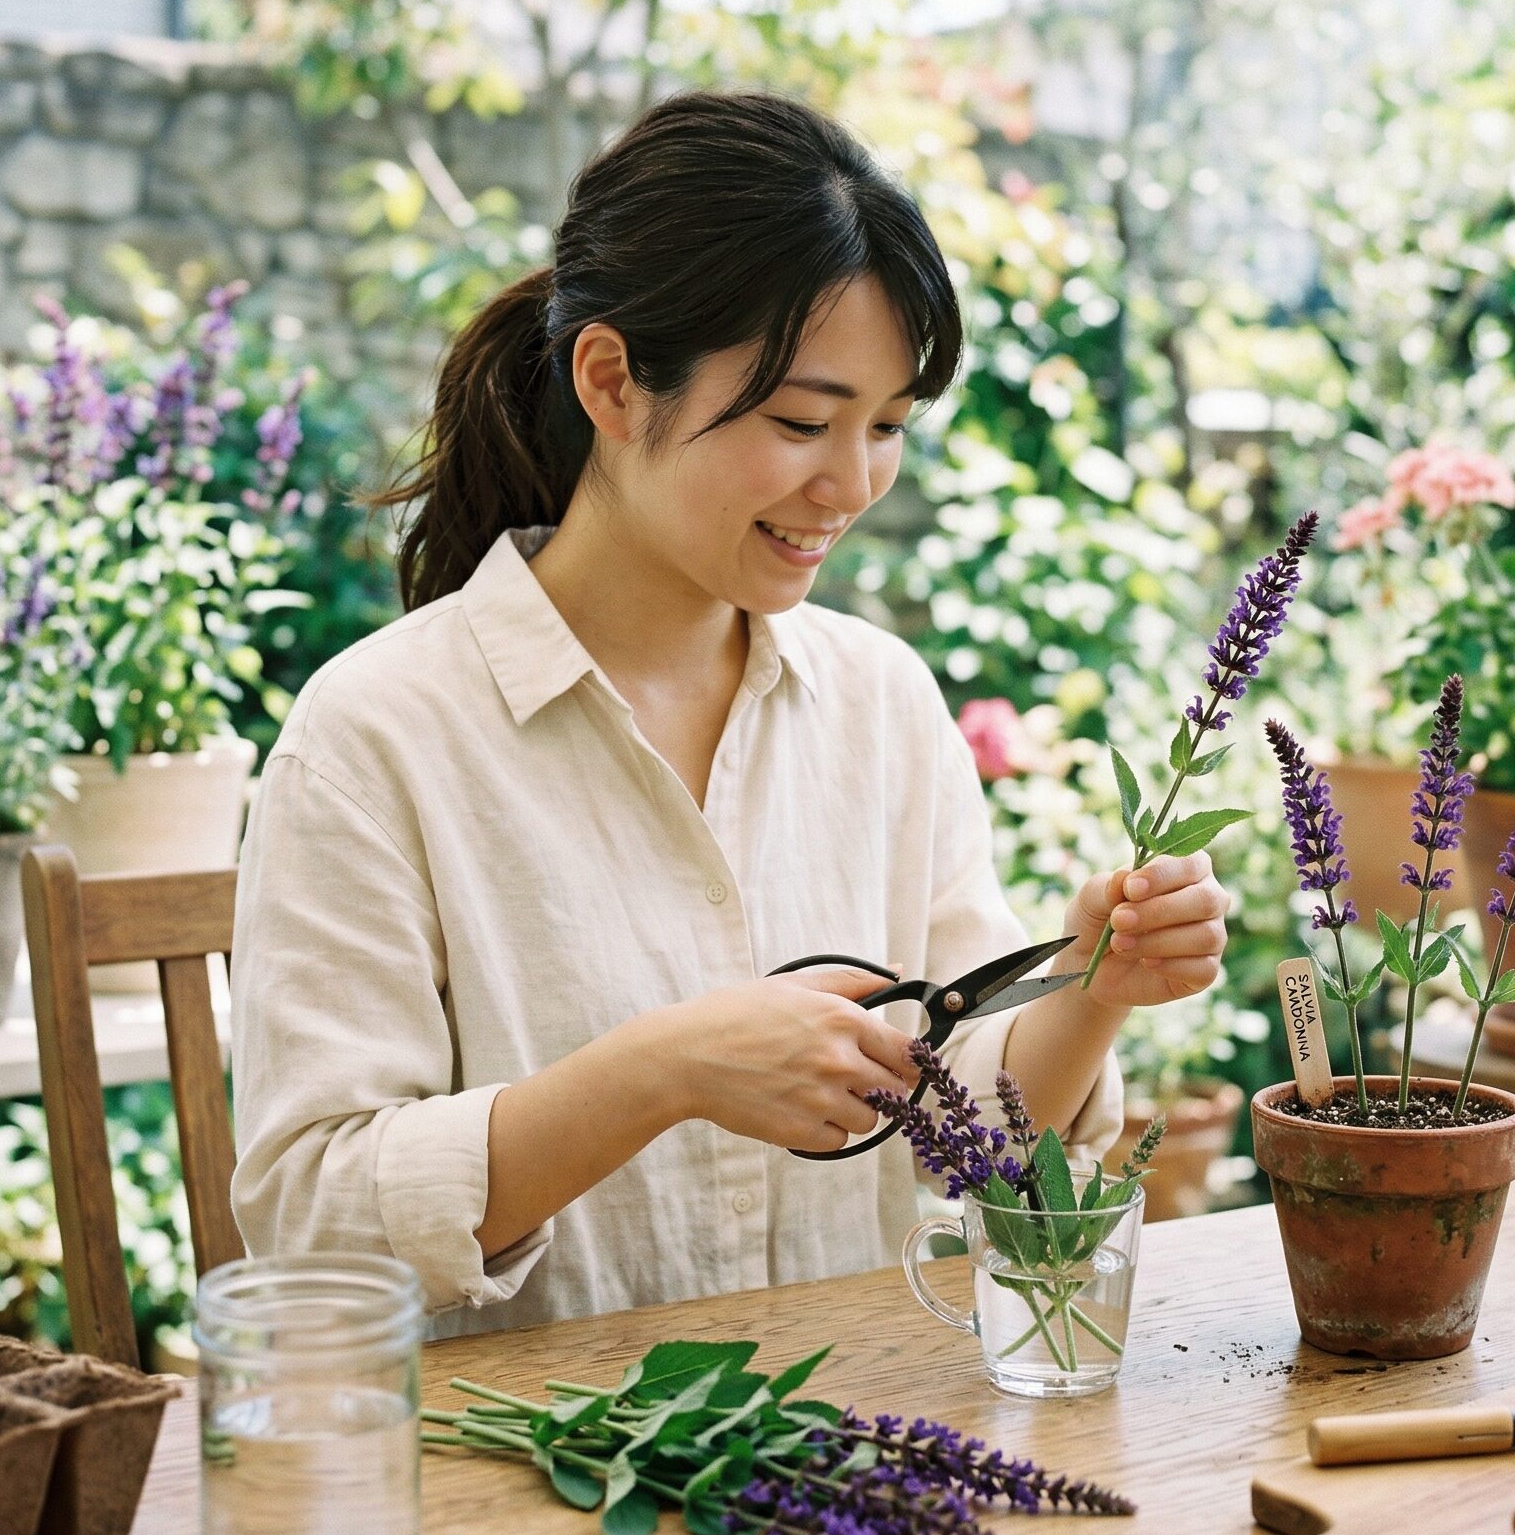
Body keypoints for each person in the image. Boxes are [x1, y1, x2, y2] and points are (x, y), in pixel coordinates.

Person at [230, 91, 1230, 1338]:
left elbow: (964, 1122)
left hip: (861, 1434)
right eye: (802, 421)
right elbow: (308, 1209)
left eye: (886, 428)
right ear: (610, 379)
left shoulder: (878, 703)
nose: (851, 482)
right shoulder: (376, 735)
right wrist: (660, 1072)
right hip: (535, 1480)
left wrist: (1093, 986)